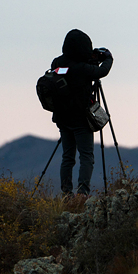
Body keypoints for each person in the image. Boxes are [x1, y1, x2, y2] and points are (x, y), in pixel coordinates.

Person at [49, 29, 113, 196]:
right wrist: (108, 58)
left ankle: (66, 194)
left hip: (62, 118)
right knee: (86, 156)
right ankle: (82, 194)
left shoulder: (57, 63)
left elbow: (71, 71)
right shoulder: (82, 68)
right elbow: (101, 72)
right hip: (81, 120)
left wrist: (89, 60)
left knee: (67, 157)